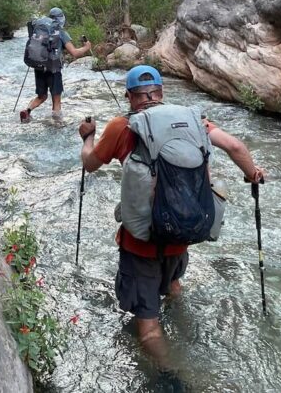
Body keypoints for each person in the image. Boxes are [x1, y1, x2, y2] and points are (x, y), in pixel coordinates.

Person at [78, 65, 266, 370]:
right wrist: (253, 175)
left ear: (129, 96)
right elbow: (234, 146)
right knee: (174, 286)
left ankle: (175, 377)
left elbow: (90, 164)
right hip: (182, 235)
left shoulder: (121, 126)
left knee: (149, 329)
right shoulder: (195, 120)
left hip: (140, 246)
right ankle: (181, 318)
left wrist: (87, 137)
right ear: (161, 92)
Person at [20, 7, 91, 122]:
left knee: (42, 96)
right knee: (56, 99)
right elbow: (74, 53)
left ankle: (27, 110)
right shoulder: (60, 32)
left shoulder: (39, 28)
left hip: (39, 67)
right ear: (61, 18)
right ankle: (57, 123)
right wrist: (86, 47)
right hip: (54, 70)